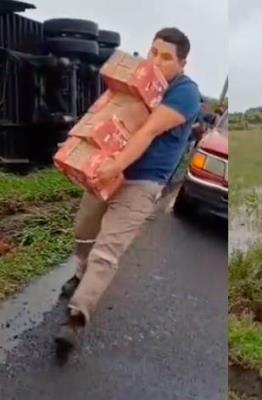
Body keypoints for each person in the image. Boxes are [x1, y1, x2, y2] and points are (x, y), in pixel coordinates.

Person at [55, 27, 202, 357]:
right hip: (107, 169)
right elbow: (106, 112)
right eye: (153, 52)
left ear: (182, 63)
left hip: (142, 180)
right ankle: (80, 273)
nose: (157, 61)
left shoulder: (184, 92)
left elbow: (148, 131)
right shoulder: (137, 80)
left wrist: (117, 164)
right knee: (83, 231)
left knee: (107, 250)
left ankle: (76, 318)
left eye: (166, 57)